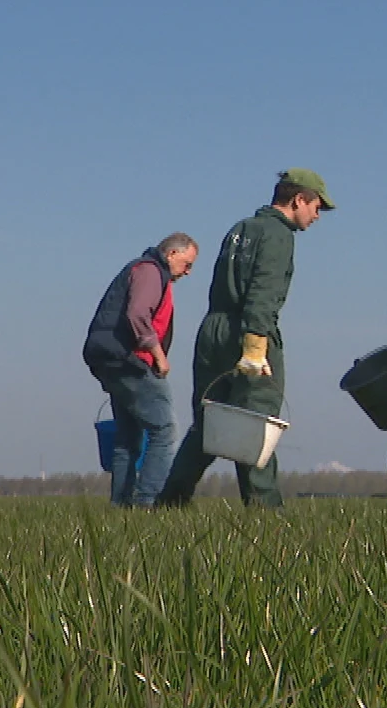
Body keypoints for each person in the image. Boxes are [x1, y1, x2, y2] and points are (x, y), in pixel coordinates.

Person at [161, 170, 335, 509]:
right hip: (249, 331)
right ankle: (266, 512)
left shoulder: (240, 229)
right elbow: (263, 292)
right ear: (298, 200)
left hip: (214, 330)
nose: (317, 216)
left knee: (211, 424)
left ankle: (170, 501)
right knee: (256, 425)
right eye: (316, 207)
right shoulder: (278, 235)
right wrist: (256, 345)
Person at [81, 234, 200, 508]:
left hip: (109, 358)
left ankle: (120, 505)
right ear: (171, 254)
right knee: (165, 430)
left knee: (127, 437)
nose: (188, 271)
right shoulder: (149, 271)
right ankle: (148, 501)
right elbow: (137, 315)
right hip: (130, 360)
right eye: (187, 264)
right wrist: (159, 356)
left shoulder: (143, 270)